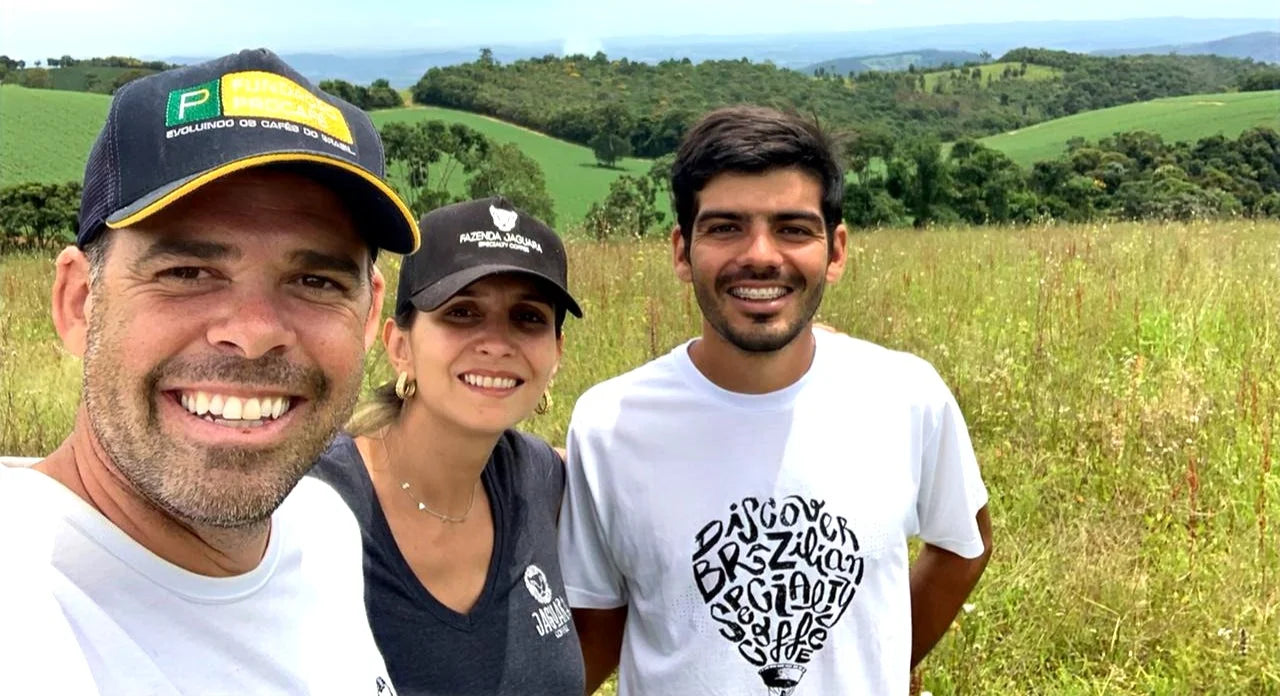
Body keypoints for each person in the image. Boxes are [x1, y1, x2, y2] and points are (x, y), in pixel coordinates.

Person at [0, 48, 419, 695]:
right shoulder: (28, 618)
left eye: (314, 280)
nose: (252, 335)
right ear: (79, 303)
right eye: (187, 273)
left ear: (368, 321)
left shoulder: (321, 525)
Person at [558, 106, 993, 696]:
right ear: (682, 252)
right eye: (725, 227)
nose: (761, 254)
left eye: (793, 228)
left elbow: (963, 544)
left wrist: (884, 663)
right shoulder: (610, 424)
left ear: (835, 251)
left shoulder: (906, 396)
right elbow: (599, 621)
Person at [309, 196, 586, 695]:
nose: (496, 343)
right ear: (399, 346)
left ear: (556, 354)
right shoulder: (312, 505)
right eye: (462, 312)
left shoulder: (540, 478)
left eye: (527, 318)